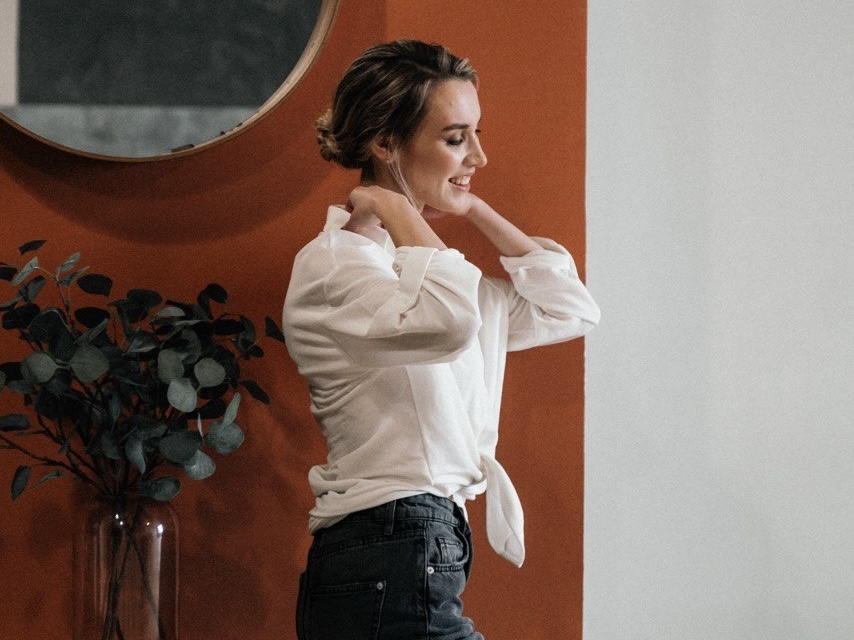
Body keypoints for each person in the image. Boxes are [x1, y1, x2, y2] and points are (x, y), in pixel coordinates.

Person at [283, 39, 600, 640]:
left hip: (410, 544)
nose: (478, 155)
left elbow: (569, 309)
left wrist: (472, 208)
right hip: (390, 538)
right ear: (385, 144)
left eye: (476, 134)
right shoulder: (335, 269)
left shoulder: (426, 277)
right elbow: (451, 323)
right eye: (456, 138)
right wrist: (395, 208)